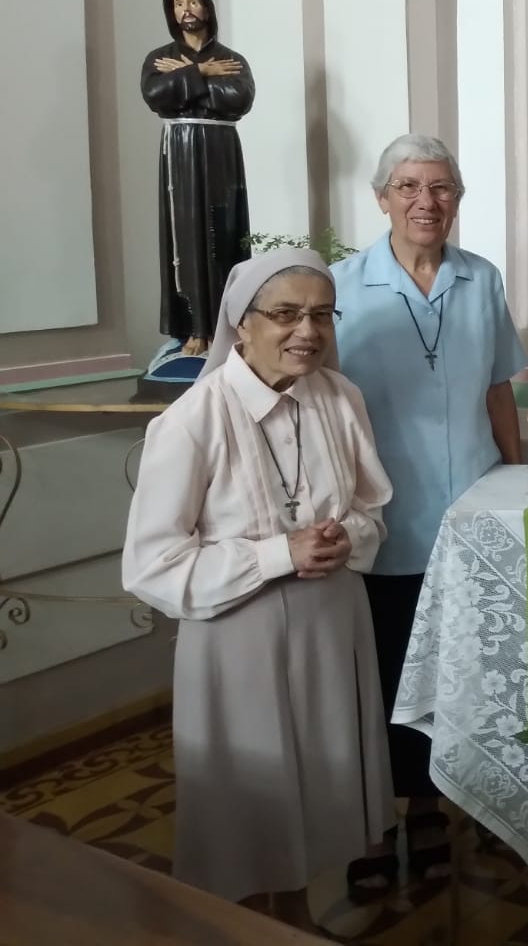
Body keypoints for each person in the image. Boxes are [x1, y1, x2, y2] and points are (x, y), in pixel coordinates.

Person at [122, 249, 394, 929]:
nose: (308, 330)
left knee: (320, 782)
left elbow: (371, 509)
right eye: (286, 314)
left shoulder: (341, 397)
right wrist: (279, 553)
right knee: (253, 797)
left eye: (322, 315)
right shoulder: (190, 422)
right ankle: (246, 925)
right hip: (237, 637)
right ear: (240, 325)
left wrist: (345, 539)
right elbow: (153, 564)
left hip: (331, 622)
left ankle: (297, 914)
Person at [331, 134, 528, 892]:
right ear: (381, 198)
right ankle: (372, 822)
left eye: (441, 188)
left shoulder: (482, 280)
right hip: (386, 518)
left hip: (474, 516)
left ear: (456, 199)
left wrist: (518, 485)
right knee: (381, 676)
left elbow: (499, 389)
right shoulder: (343, 287)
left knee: (462, 672)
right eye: (409, 187)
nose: (426, 201)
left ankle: (429, 808)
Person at [140, 0, 255, 356]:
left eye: (193, 2)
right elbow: (157, 96)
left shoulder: (232, 59)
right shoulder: (159, 58)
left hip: (220, 150)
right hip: (180, 151)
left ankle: (226, 325)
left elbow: (238, 98)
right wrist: (203, 74)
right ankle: (194, 328)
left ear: (206, 9)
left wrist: (184, 80)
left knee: (222, 232)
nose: (185, 9)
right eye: (178, 4)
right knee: (185, 234)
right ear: (172, 14)